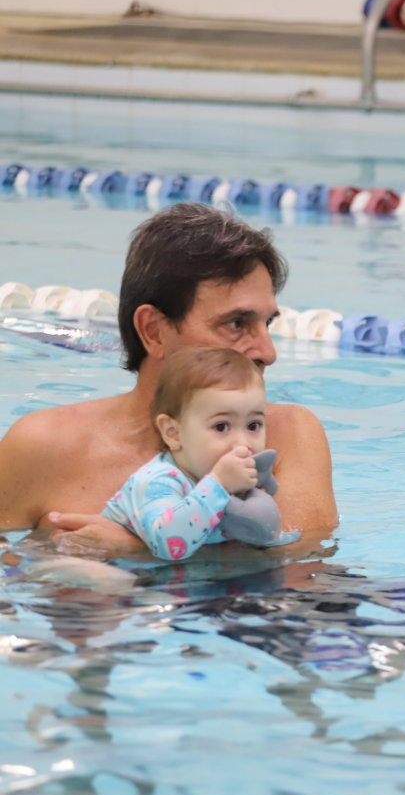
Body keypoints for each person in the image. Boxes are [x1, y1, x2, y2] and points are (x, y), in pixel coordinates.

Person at [0, 202, 337, 553]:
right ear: (154, 331)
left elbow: (302, 566)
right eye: (237, 324)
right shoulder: (41, 447)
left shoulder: (290, 437)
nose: (268, 352)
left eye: (267, 323)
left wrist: (136, 550)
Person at [103, 346, 294, 560]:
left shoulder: (236, 479)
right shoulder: (157, 482)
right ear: (173, 433)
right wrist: (219, 485)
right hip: (109, 564)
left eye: (253, 426)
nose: (243, 444)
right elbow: (169, 546)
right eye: (221, 427)